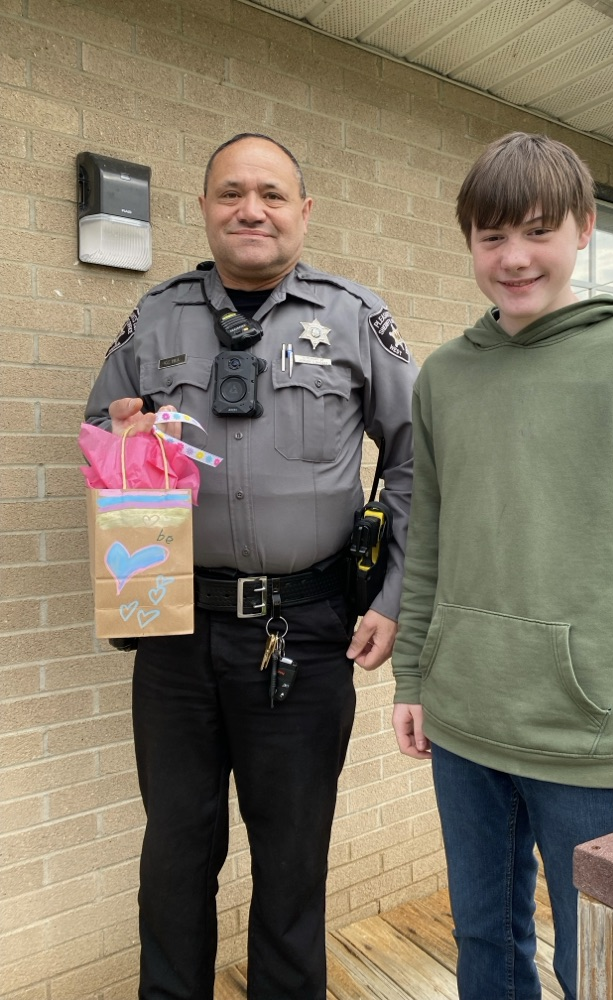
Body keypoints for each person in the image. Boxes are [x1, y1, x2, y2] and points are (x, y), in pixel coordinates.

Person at [390, 131, 613, 1000]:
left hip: (593, 742)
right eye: (491, 237)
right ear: (468, 241)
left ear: (584, 229)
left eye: (538, 231)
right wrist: (412, 676)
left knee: (598, 962)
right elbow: (429, 542)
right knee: (484, 946)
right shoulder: (442, 378)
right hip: (465, 726)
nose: (513, 258)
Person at [84, 133, 417, 1000]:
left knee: (292, 855)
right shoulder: (155, 317)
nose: (251, 209)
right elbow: (104, 440)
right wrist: (121, 443)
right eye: (231, 193)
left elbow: (423, 452)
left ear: (303, 212)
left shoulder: (352, 316)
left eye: (272, 194)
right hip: (176, 633)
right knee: (177, 852)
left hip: (303, 631)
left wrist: (395, 589)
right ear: (203, 209)